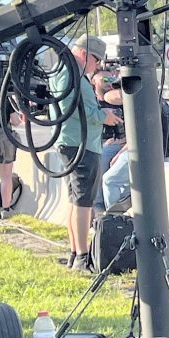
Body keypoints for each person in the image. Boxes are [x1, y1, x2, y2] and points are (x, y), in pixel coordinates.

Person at [52, 35, 119, 270]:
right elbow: (70, 107)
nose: (98, 65)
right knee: (83, 203)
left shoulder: (65, 70)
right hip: (81, 144)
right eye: (97, 59)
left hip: (72, 142)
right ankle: (82, 256)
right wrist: (104, 117)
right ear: (84, 54)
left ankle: (74, 252)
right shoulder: (72, 73)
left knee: (74, 201)